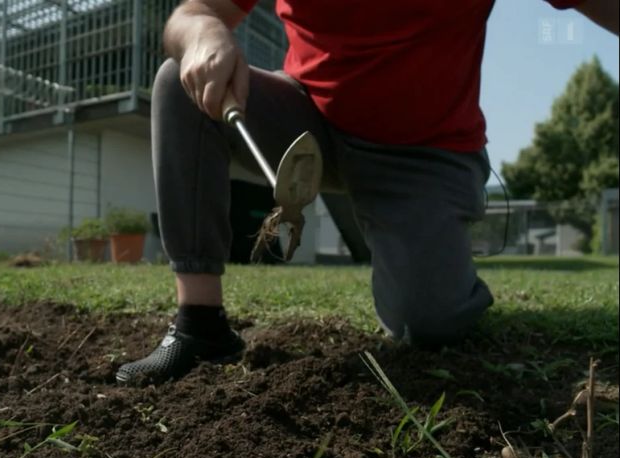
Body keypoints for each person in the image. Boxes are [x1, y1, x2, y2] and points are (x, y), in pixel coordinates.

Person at [115, 0, 619, 385]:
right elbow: (189, 13)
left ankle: (441, 260)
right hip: (311, 126)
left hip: (423, 152)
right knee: (176, 83)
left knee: (428, 322)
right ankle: (200, 325)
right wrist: (203, 30)